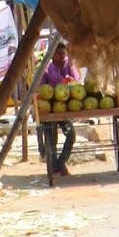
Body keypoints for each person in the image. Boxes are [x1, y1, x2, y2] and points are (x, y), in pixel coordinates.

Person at [41, 40, 79, 174]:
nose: (62, 56)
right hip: (50, 109)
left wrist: (70, 79)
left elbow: (76, 79)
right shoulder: (47, 69)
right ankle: (55, 166)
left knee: (71, 134)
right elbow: (44, 87)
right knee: (52, 140)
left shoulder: (69, 65)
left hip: (65, 109)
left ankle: (60, 163)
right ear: (52, 55)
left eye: (63, 53)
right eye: (59, 54)